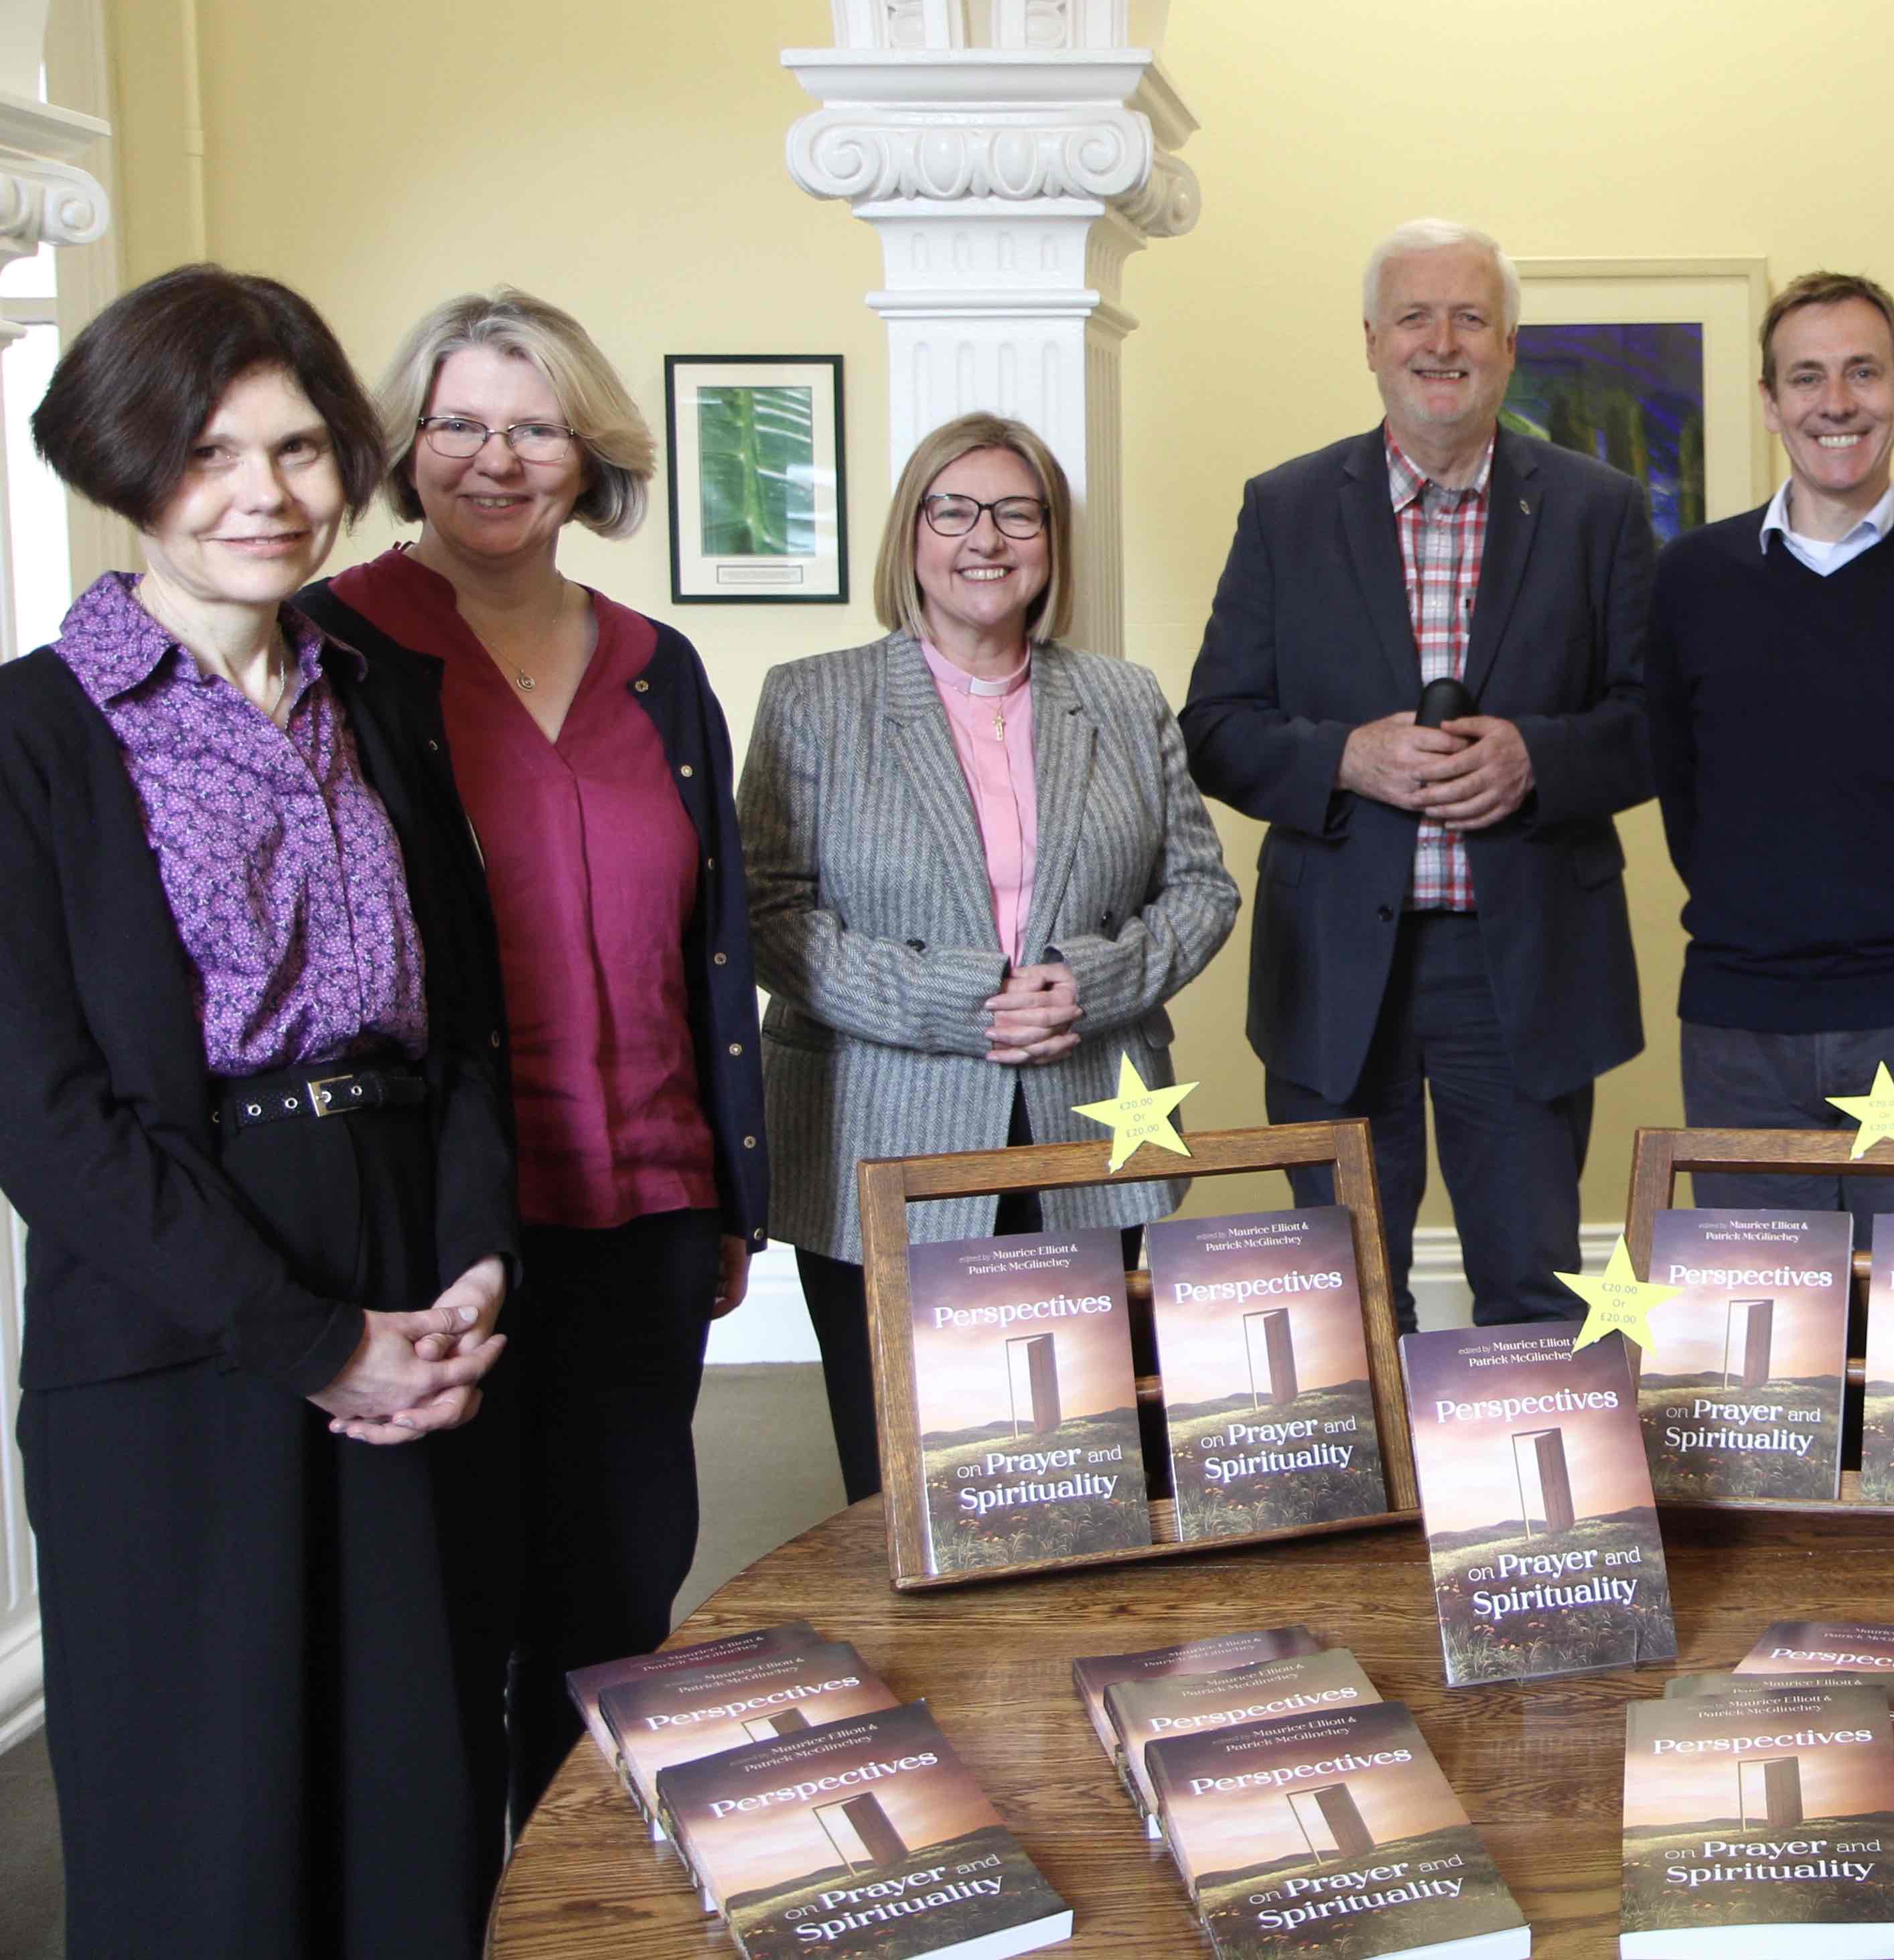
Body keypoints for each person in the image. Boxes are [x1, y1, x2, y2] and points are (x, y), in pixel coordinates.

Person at [0, 265, 514, 1955]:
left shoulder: (377, 694)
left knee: (412, 1798)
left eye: (299, 451)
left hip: (407, 1281)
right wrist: (314, 1341)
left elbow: (464, 1029)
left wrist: (467, 1272)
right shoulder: (27, 736)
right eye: (210, 454)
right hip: (177, 1317)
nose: (265, 497)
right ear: (123, 467)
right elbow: (47, 1120)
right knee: (205, 1827)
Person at [299, 287, 768, 1831]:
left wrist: (734, 1195)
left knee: (620, 1599)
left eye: (534, 426)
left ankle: (586, 1905)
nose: (496, 460)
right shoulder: (334, 652)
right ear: (404, 444)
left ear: (589, 453)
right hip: (438, 1227)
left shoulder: (658, 666)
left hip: (647, 1204)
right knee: (449, 1603)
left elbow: (719, 943)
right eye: (458, 425)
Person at [742, 412, 1236, 1502]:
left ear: (1051, 539)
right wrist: (957, 1001)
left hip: (1086, 1128)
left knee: (1074, 1466)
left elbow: (1202, 889)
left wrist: (1093, 984)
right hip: (881, 1134)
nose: (986, 537)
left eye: (1017, 512)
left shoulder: (1123, 696)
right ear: (909, 534)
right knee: (901, 1482)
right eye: (953, 509)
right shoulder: (813, 701)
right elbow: (768, 913)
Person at [1184, 218, 1656, 1330]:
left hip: (1527, 963)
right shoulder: (1285, 509)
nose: (1440, 341)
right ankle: (1379, 1511)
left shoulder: (1600, 512)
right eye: (1414, 316)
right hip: (1338, 963)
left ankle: (1537, 1510)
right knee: (1341, 1295)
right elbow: (1212, 726)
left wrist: (1539, 756)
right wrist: (1345, 757)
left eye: (1470, 316)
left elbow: (1655, 723)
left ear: (1508, 343)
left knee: (1535, 1284)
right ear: (1369, 341)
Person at [1645, 271, 1894, 1224]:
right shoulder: (1691, 581)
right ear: (1771, 405)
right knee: (1765, 1354)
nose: (1837, 402)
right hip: (1743, 1027)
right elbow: (1684, 793)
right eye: (1807, 378)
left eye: (1864, 372)